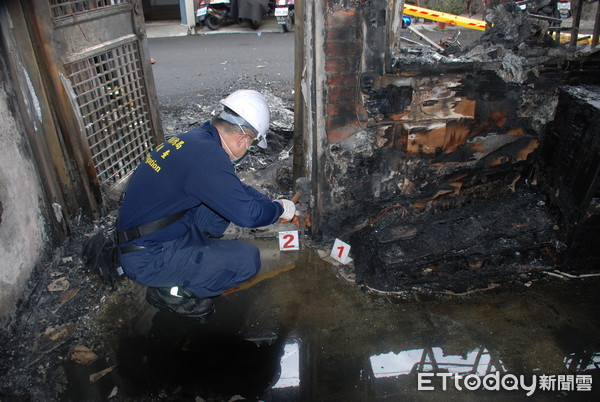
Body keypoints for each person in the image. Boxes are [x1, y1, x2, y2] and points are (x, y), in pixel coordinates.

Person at [116, 89, 296, 319]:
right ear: (243, 138)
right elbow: (248, 215)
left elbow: (234, 190)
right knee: (246, 261)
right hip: (146, 257)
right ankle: (171, 292)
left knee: (219, 209)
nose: (247, 151)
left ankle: (197, 256)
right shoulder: (208, 159)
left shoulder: (195, 141)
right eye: (250, 146)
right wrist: (278, 211)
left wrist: (271, 202)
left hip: (148, 233)